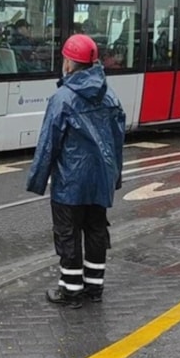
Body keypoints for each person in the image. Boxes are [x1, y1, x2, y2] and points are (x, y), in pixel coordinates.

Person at [25, 34, 126, 309]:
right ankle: (95, 287)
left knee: (68, 234)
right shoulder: (110, 95)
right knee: (95, 230)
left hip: (70, 182)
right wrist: (115, 176)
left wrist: (37, 180)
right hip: (100, 180)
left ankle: (71, 290)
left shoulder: (62, 99)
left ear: (69, 63)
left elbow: (49, 144)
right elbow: (117, 140)